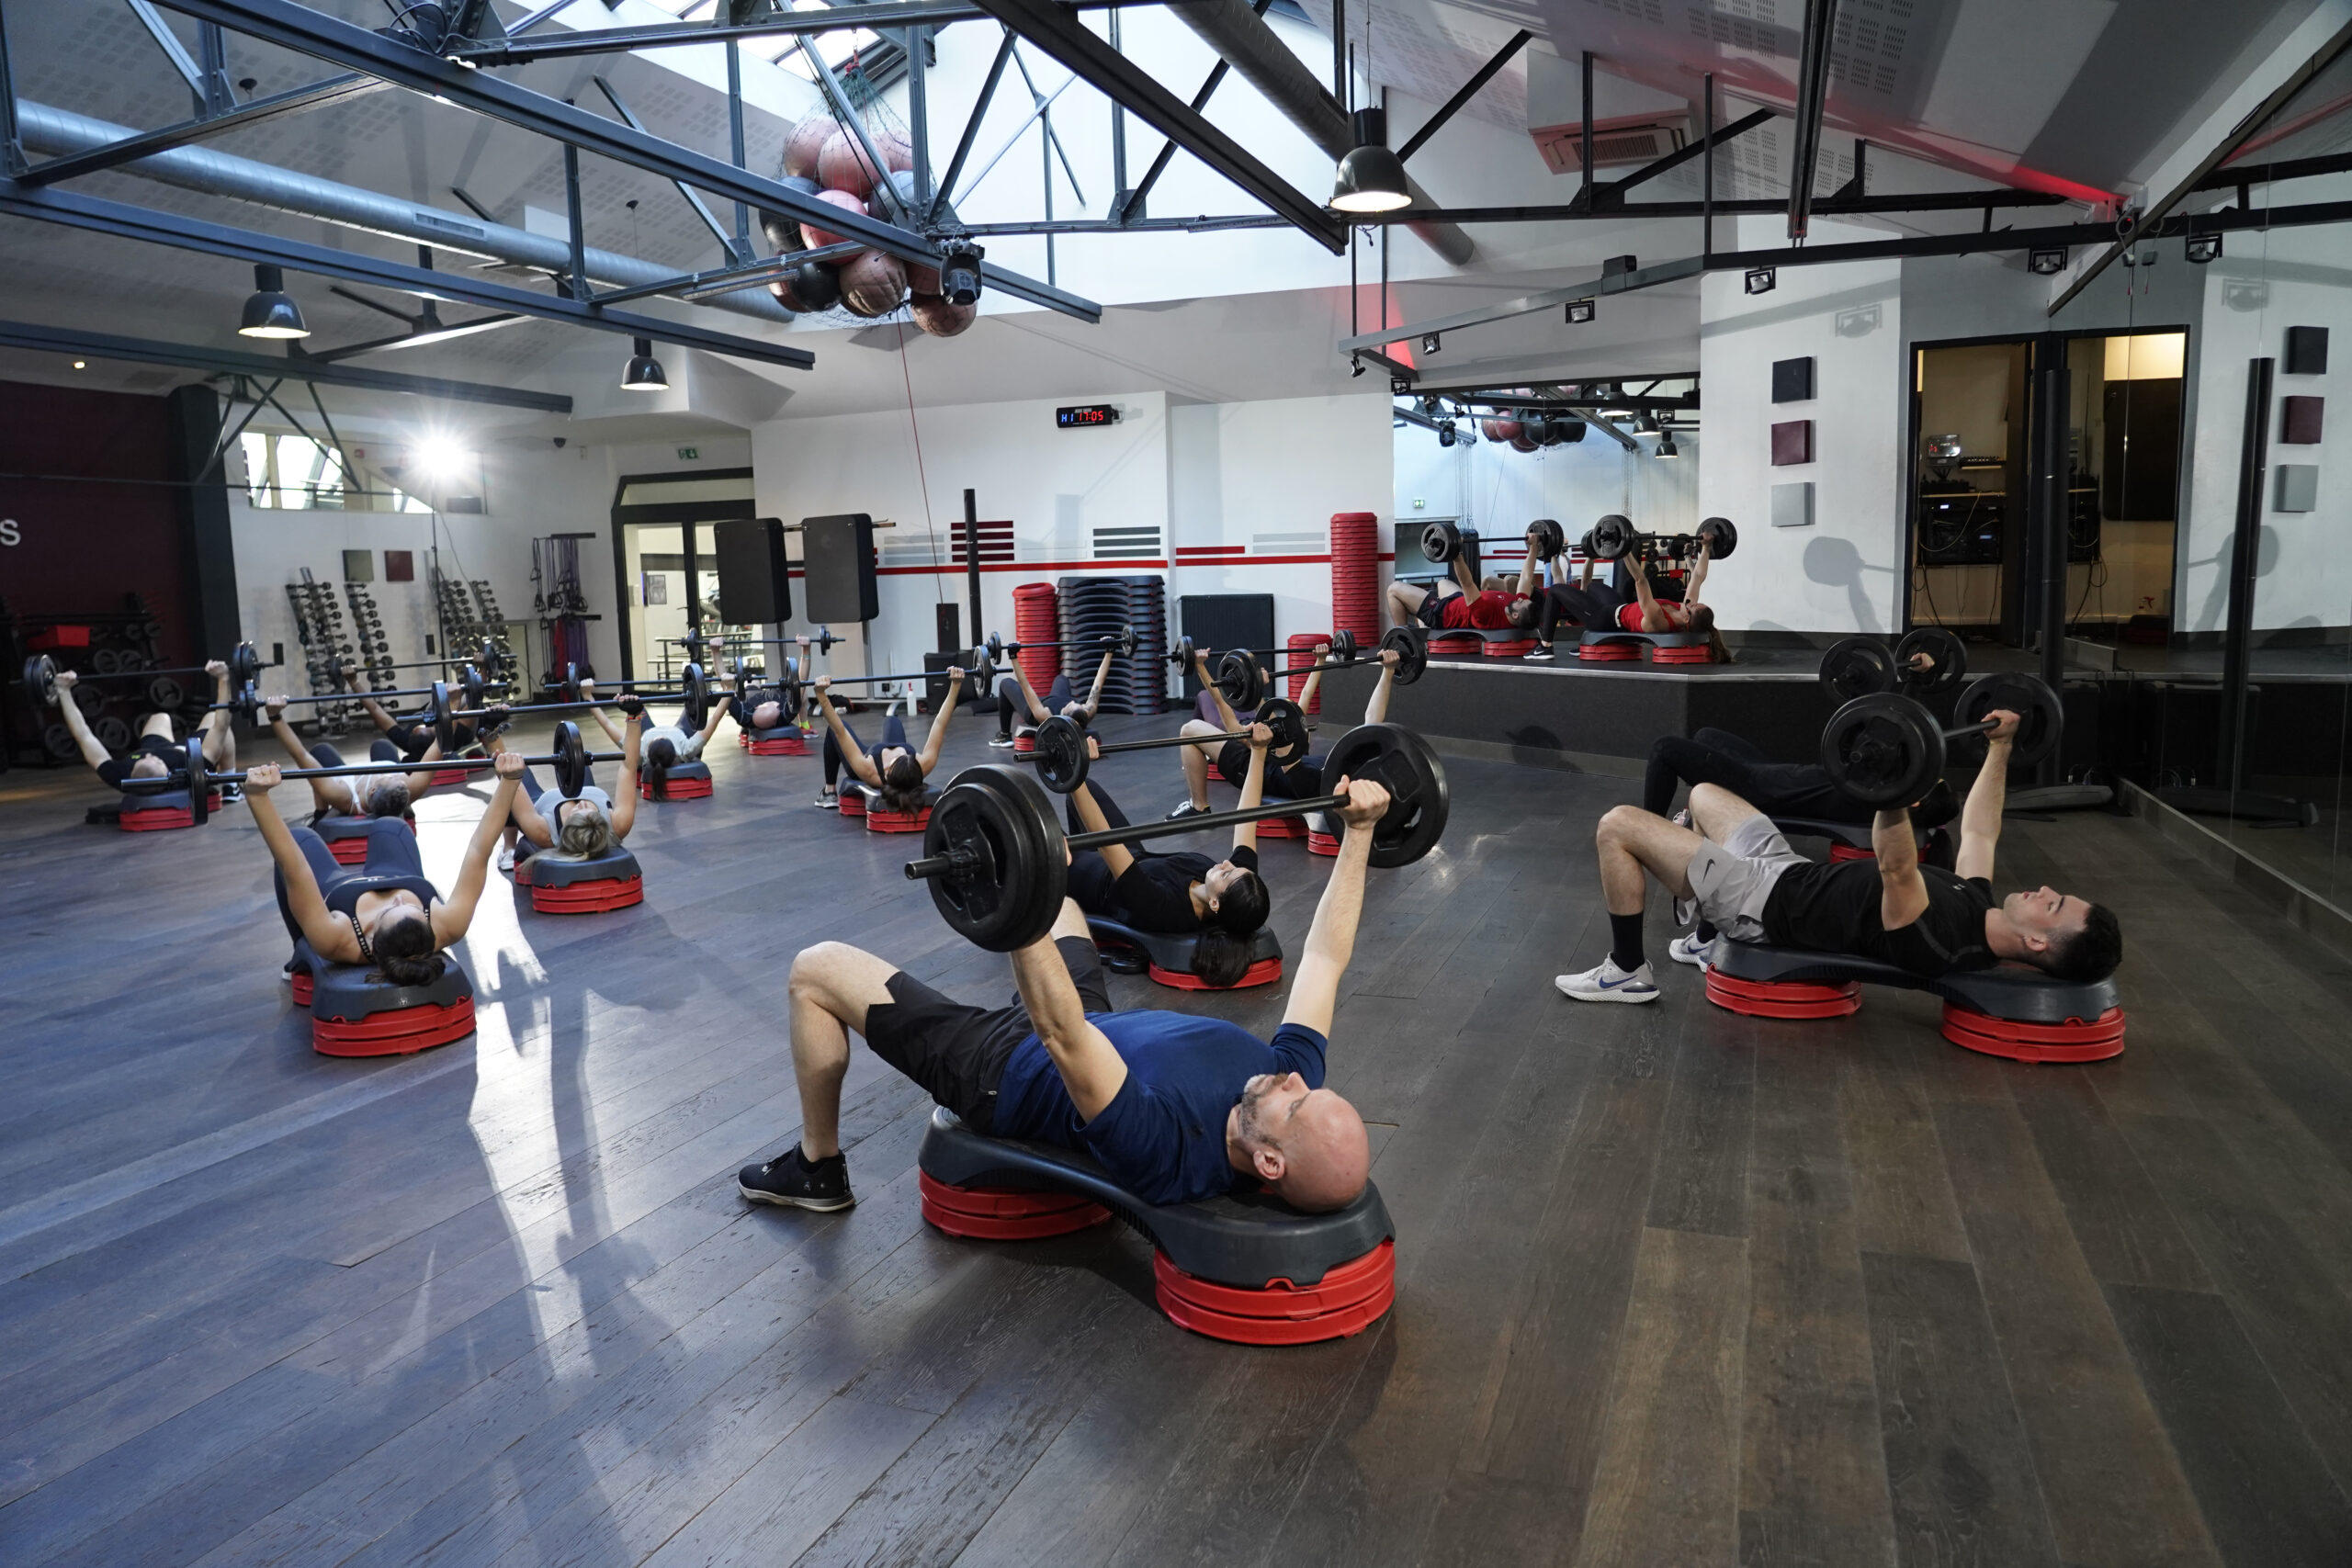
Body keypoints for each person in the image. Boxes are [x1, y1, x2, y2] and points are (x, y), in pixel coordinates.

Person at [737, 773, 1396, 1214]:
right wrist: (1361, 833)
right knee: (1069, 903)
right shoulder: (1285, 1084)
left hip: (1003, 1066)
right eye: (1307, 1086)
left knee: (814, 968)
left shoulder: (1168, 1149)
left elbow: (1062, 1039)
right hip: (1094, 1025)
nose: (1290, 1080)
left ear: (1270, 1162)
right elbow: (1325, 960)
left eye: (1295, 1103)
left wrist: (1012, 899)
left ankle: (817, 1165)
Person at [1557, 707, 2122, 1002]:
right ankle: (1704, 936)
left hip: (1761, 904)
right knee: (1704, 793)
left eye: (2055, 906)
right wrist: (2000, 748)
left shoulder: (1942, 939)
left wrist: (1893, 787)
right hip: (1787, 872)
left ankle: (1628, 971)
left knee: (1618, 825)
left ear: (2037, 942)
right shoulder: (1976, 901)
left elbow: (1896, 864)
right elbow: (1979, 832)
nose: (2047, 891)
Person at [247, 750, 522, 985]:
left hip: (338, 890)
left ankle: (298, 954)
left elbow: (295, 869)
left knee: (300, 838)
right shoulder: (448, 924)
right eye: (416, 910)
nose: (399, 897)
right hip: (397, 870)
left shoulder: (334, 938)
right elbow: (479, 850)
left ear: (371, 936)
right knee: (391, 825)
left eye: (391, 909)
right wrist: (509, 781)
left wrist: (257, 797)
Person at [1065, 730, 1273, 987]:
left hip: (1097, 880)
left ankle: (1062, 883)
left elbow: (1107, 844)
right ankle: (1070, 853)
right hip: (1133, 856)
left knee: (1034, 827)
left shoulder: (1168, 910)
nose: (1228, 864)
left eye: (1227, 874)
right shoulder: (1238, 886)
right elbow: (1246, 818)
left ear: (1216, 904)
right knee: (1087, 793)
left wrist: (1074, 775)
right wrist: (1259, 751)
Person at [1169, 640, 1401, 818]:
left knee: (1189, 729)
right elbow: (1370, 720)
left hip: (1249, 768)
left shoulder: (1309, 780)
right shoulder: (1334, 767)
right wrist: (1387, 671)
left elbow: (1228, 711)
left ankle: (1198, 807)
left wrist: (1201, 668)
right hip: (1270, 753)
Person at [490, 684, 643, 871]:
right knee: (579, 761)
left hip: (541, 804)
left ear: (565, 830)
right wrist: (634, 717)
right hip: (581, 783)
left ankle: (509, 846)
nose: (584, 804)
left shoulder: (543, 833)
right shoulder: (619, 824)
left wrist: (491, 731)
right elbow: (629, 766)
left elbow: (507, 773)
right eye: (594, 813)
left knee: (517, 772)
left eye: (578, 811)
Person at [50, 660, 238, 796]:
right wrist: (223, 678)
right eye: (156, 762)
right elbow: (221, 725)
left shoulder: (119, 776)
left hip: (156, 743)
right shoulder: (192, 768)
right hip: (189, 749)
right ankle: (231, 786)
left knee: (160, 717)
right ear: (168, 774)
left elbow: (84, 736)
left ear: (131, 775)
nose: (150, 757)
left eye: (142, 761)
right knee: (217, 722)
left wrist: (63, 691)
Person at [262, 694, 448, 823]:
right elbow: (440, 742)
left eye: (392, 778)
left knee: (320, 751)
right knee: (381, 746)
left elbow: (299, 754)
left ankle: (319, 814)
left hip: (343, 779)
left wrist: (274, 715)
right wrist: (451, 704)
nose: (396, 776)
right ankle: (400, 809)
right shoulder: (408, 788)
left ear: (373, 789)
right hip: (379, 786)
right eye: (397, 778)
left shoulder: (341, 796)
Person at [1534, 535, 1724, 660]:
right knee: (1592, 587)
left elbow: (1640, 580)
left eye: (1693, 607)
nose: (1691, 603)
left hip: (1603, 619)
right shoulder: (1685, 611)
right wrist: (1706, 548)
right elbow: (1698, 577)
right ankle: (1584, 640)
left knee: (1556, 590)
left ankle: (1545, 646)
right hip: (1618, 607)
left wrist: (1623, 550)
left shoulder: (1659, 620)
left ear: (1686, 619)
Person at [811, 668, 964, 813]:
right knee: (892, 720)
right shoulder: (924, 764)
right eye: (904, 755)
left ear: (888, 770)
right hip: (891, 762)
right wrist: (956, 685)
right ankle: (892, 721)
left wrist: (821, 695)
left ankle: (828, 792)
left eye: (897, 759)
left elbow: (840, 732)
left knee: (833, 730)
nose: (897, 754)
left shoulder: (869, 770)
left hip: (866, 757)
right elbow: (940, 723)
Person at [582, 680, 734, 799]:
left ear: (648, 749)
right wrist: (729, 690)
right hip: (681, 731)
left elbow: (607, 724)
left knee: (634, 706)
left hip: (646, 729)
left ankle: (627, 704)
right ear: (676, 754)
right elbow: (714, 719)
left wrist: (588, 696)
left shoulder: (639, 751)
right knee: (696, 700)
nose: (662, 734)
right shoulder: (687, 749)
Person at [1385, 528, 1540, 635]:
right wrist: (1533, 548)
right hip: (1458, 601)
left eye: (1521, 602)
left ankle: (1403, 636)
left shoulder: (1485, 614)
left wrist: (1457, 554)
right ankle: (1421, 619)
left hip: (1441, 614)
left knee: (1394, 589)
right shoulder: (1518, 607)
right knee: (1442, 584)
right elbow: (1526, 577)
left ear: (1515, 616)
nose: (1520, 598)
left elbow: (1467, 583)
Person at [992, 645, 1114, 749]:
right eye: (1080, 705)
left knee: (1005, 683)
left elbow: (1025, 686)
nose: (1073, 702)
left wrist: (1013, 657)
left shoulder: (1047, 716)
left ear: (1065, 713)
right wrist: (1109, 652)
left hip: (1034, 707)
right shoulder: (1087, 712)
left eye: (1072, 705)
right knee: (1061, 678)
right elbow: (1098, 682)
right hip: (1056, 698)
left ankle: (1004, 735)